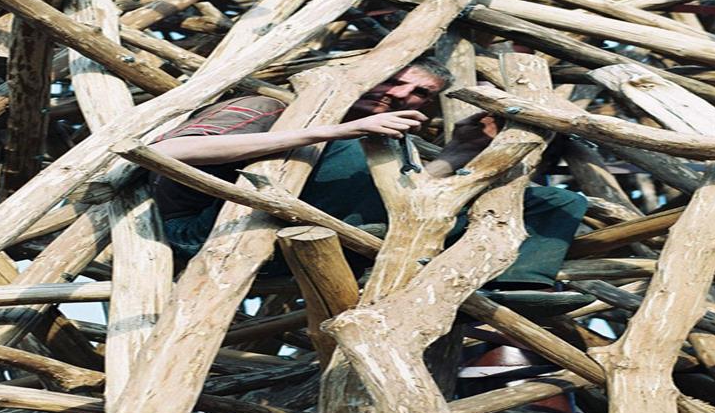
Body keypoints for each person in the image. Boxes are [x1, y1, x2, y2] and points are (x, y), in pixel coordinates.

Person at [149, 57, 589, 297]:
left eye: (419, 94)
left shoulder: (383, 140)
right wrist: (333, 130)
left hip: (326, 232)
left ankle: (517, 288)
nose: (400, 95)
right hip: (212, 234)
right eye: (394, 81)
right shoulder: (271, 109)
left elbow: (401, 196)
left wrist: (458, 152)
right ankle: (376, 237)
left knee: (556, 202)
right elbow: (165, 153)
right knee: (356, 151)